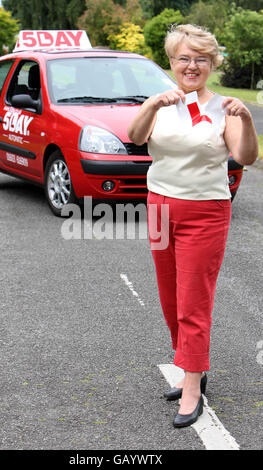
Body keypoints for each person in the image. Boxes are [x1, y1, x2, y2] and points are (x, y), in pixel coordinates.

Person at [128, 24, 258, 428]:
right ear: (171, 61)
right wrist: (150, 105)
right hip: (160, 208)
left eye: (201, 58)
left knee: (193, 303)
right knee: (170, 301)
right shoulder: (161, 102)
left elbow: (246, 156)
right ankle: (192, 367)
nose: (192, 65)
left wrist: (248, 119)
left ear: (212, 63)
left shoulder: (226, 108)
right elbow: (135, 138)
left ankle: (191, 387)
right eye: (184, 57)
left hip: (205, 211)